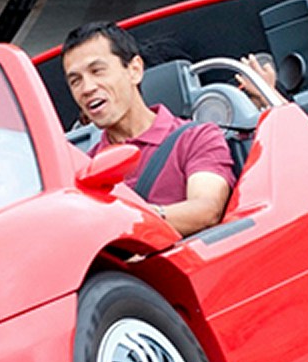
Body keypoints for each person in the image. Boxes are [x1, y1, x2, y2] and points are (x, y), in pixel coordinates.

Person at [60, 20, 233, 237]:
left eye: (97, 71)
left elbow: (206, 211)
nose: (87, 88)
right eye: (75, 81)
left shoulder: (196, 137)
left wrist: (133, 221)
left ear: (134, 70)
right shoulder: (85, 171)